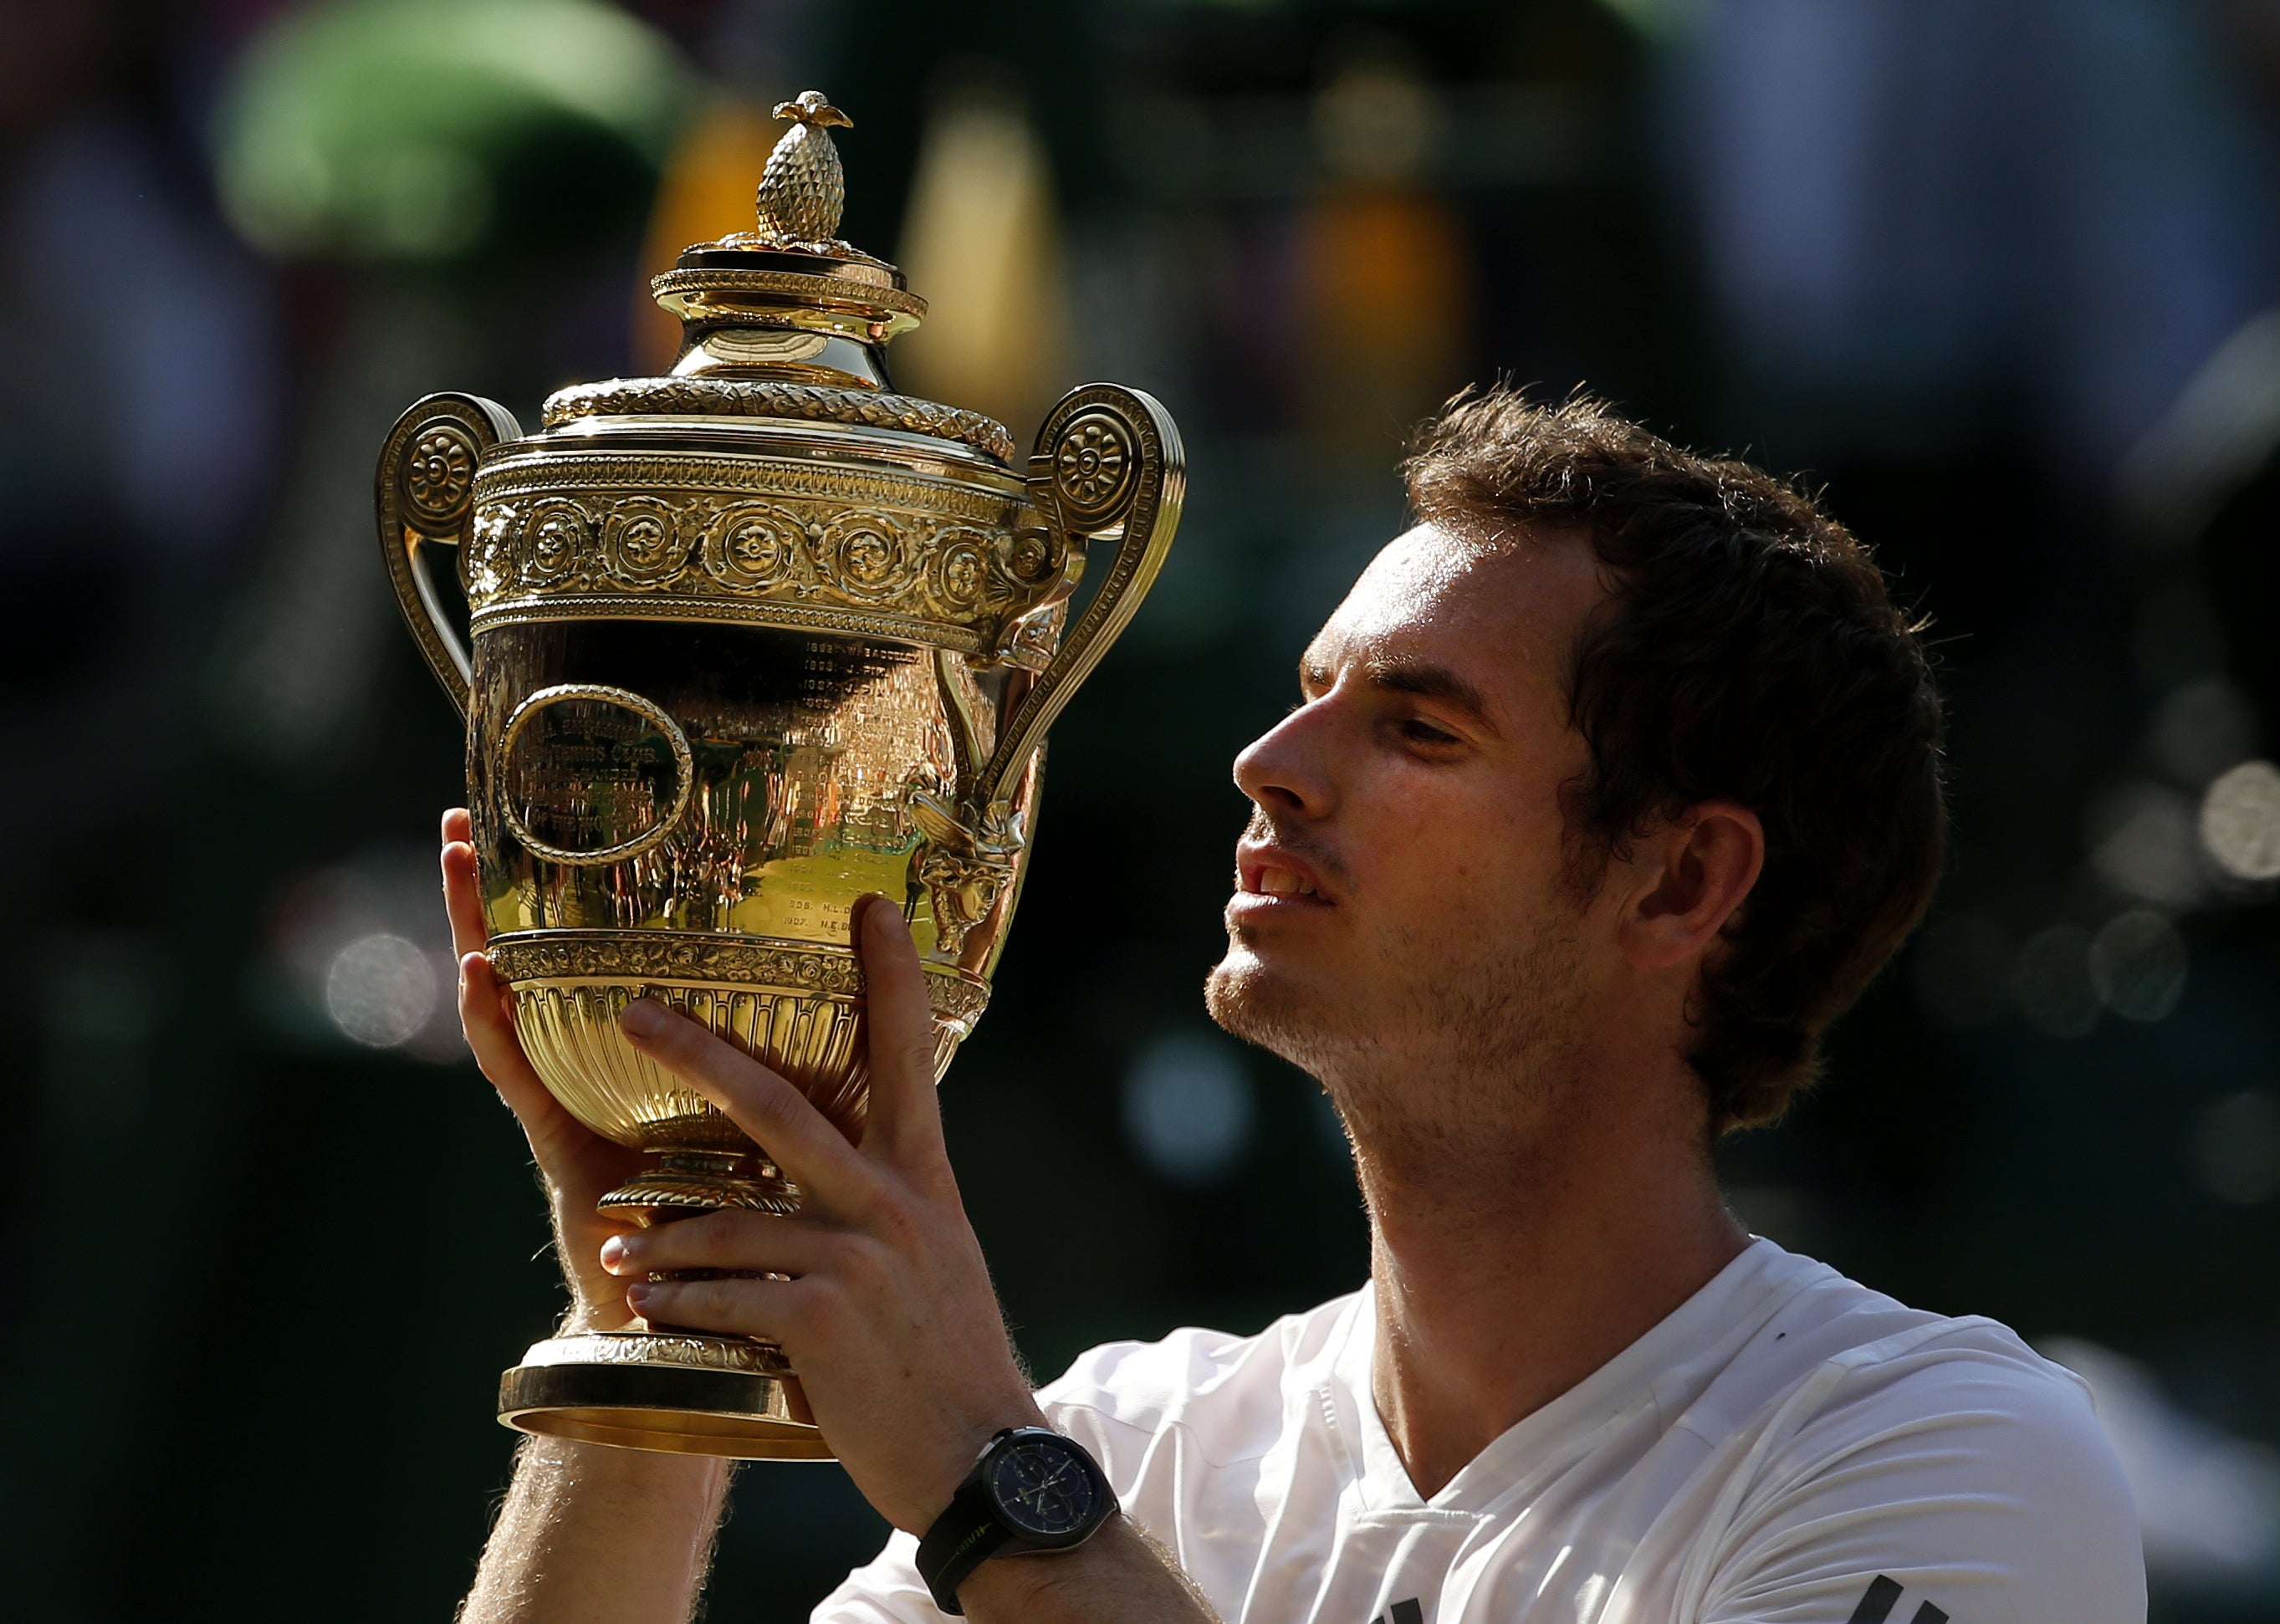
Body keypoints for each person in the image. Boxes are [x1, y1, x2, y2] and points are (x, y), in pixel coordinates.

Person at [446, 390, 2145, 1624]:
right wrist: (650, 1332)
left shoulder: (1941, 1454)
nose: (1269, 767)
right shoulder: (1136, 1436)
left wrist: (996, 1488)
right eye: (1307, 693)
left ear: (1679, 881)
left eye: (1415, 727)